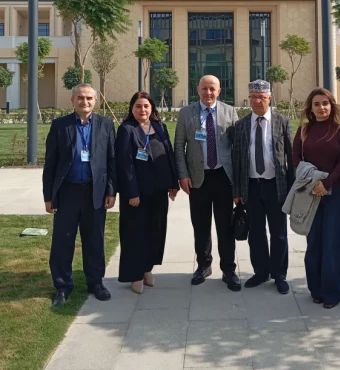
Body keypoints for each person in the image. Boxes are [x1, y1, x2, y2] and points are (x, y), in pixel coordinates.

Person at [42, 84, 117, 307]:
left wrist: (111, 191)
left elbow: (111, 160)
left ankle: (95, 283)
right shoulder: (60, 125)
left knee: (94, 239)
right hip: (67, 192)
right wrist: (49, 197)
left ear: (96, 101)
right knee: (63, 241)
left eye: (89, 98)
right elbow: (50, 164)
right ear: (73, 100)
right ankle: (62, 286)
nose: (85, 102)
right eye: (80, 98)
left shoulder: (106, 124)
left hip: (95, 192)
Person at [174, 75, 240, 291]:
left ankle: (229, 269)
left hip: (223, 177)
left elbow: (237, 147)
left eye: (212, 89)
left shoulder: (230, 112)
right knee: (200, 225)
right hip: (197, 178)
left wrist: (238, 182)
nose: (208, 93)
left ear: (219, 91)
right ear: (198, 89)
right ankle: (203, 265)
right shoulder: (186, 113)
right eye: (204, 88)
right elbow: (179, 146)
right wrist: (183, 175)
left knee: (225, 226)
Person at [233, 80, 294, 294]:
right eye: (253, 97)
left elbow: (292, 157)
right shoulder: (241, 125)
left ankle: (279, 275)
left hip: (276, 186)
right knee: (256, 233)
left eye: (262, 97)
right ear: (249, 99)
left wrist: (293, 189)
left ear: (269, 98)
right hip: (251, 186)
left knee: (279, 233)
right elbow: (237, 159)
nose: (257, 101)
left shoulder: (281, 122)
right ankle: (261, 272)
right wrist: (237, 191)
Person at [115, 92, 179, 294]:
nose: (142, 110)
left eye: (146, 106)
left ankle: (147, 268)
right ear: (132, 109)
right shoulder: (126, 129)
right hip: (137, 195)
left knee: (155, 231)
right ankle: (134, 274)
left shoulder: (159, 127)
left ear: (152, 108)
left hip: (158, 191)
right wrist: (131, 192)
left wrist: (173, 183)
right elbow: (124, 164)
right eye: (138, 106)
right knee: (135, 234)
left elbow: (169, 154)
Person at [292, 88, 340, 309]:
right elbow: (295, 158)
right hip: (310, 194)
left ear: (331, 105)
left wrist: (326, 183)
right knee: (314, 243)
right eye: (316, 104)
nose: (321, 108)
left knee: (332, 243)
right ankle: (315, 290)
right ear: (311, 107)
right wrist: (313, 181)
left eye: (325, 103)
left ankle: (331, 293)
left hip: (333, 194)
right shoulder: (304, 131)